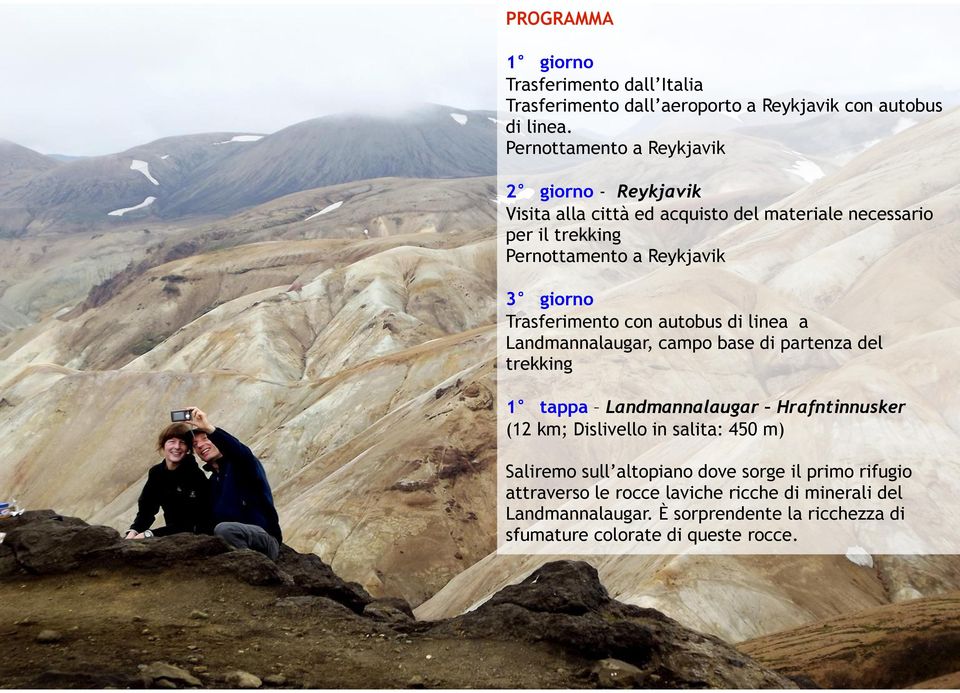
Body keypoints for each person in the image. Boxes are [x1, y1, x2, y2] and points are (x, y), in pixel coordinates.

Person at [186, 407, 282, 560]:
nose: (200, 445)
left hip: (263, 539)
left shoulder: (242, 464)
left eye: (205, 438)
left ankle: (257, 570)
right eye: (195, 444)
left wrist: (209, 429)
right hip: (232, 541)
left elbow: (239, 451)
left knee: (225, 530)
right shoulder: (212, 482)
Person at [125, 423, 210, 539]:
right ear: (163, 445)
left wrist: (150, 534)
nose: (177, 447)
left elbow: (191, 522)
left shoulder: (195, 476)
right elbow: (147, 509)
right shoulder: (156, 473)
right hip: (172, 535)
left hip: (198, 537)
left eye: (183, 442)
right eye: (172, 441)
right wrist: (134, 531)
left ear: (188, 449)